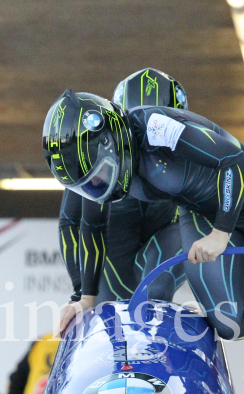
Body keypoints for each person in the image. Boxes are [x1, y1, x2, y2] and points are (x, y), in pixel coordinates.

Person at [44, 88, 244, 394]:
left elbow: (235, 159)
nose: (99, 187)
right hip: (202, 213)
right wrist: (84, 297)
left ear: (114, 143)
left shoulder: (156, 127)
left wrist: (221, 232)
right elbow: (91, 226)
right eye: (89, 186)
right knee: (226, 320)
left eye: (99, 176)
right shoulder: (101, 172)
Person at [58, 68, 187, 311]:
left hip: (165, 234)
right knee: (111, 311)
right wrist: (81, 293)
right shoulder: (94, 155)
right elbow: (71, 223)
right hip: (113, 249)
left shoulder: (193, 148)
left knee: (156, 292)